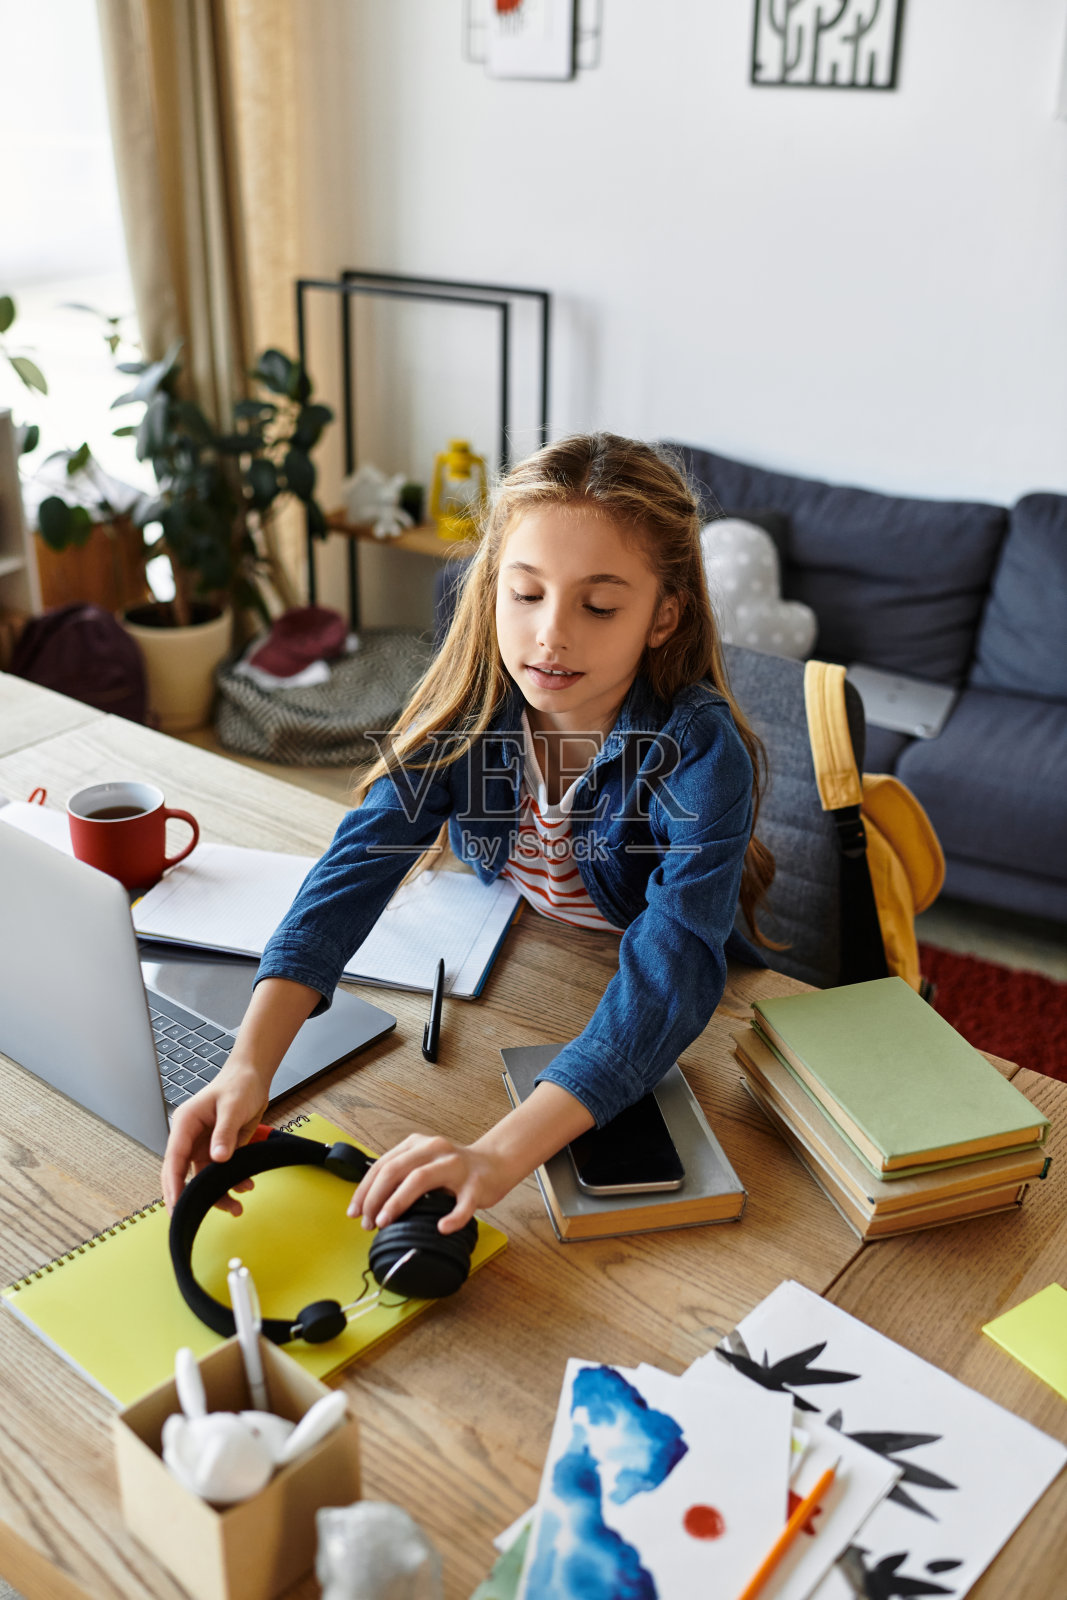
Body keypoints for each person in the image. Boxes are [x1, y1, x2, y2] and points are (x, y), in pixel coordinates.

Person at [161, 433, 776, 1234]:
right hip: (524, 958)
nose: (551, 635)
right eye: (525, 594)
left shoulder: (697, 749)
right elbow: (357, 864)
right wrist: (246, 1067)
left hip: (641, 985)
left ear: (663, 616)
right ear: (492, 590)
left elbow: (670, 968)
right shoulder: (474, 707)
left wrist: (496, 1156)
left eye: (598, 605)